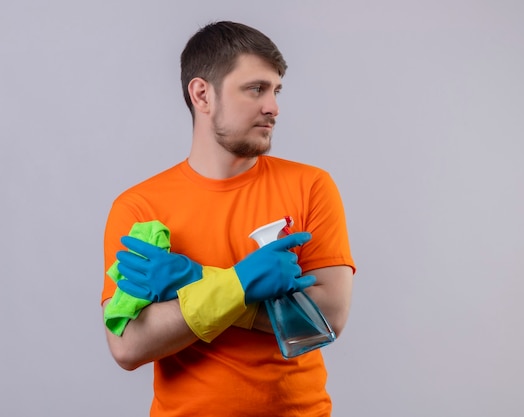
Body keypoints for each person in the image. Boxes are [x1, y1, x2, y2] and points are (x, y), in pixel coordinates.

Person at [101, 21, 356, 416]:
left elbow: (326, 321)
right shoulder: (140, 207)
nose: (273, 106)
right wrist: (244, 284)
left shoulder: (311, 186)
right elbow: (129, 345)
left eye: (276, 90)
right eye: (256, 89)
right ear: (202, 94)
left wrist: (191, 281)